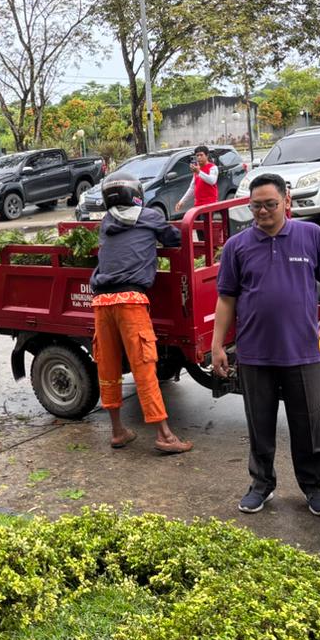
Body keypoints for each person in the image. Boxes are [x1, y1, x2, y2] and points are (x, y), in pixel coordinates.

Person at [211, 172, 320, 516]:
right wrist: (217, 345)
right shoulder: (237, 247)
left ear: (287, 201)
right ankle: (261, 484)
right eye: (256, 206)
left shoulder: (311, 235)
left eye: (270, 204)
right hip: (254, 352)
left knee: (308, 425)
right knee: (259, 424)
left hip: (302, 350)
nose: (263, 212)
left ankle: (313, 488)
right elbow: (226, 299)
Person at [91, 172, 193, 454]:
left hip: (101, 301)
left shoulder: (106, 221)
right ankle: (164, 436)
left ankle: (117, 432)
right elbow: (174, 239)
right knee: (144, 368)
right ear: (136, 194)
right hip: (130, 300)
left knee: (108, 367)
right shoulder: (149, 216)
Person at [174, 145, 219, 215]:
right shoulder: (197, 169)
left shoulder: (213, 167)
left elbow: (212, 181)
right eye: (197, 155)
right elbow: (192, 188)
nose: (199, 157)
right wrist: (182, 201)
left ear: (207, 156)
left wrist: (199, 172)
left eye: (201, 155)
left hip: (209, 204)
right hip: (198, 204)